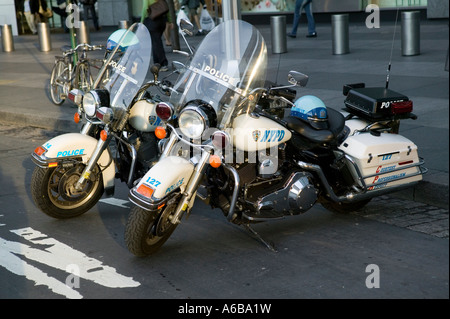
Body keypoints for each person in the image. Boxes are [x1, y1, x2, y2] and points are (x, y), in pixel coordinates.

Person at [141, 0, 170, 72]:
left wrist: (142, 21)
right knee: (155, 41)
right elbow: (166, 7)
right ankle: (157, 63)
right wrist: (170, 20)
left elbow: (145, 8)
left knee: (156, 42)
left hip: (153, 21)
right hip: (162, 20)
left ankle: (163, 63)